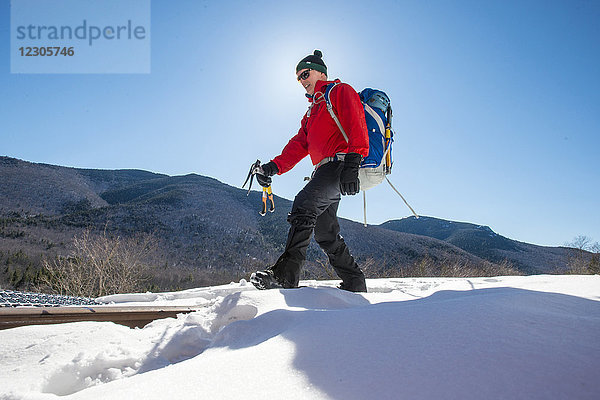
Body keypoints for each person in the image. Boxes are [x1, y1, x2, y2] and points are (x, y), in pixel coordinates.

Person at [250, 50, 369, 292]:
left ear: (321, 72)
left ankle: (285, 275)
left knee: (304, 203)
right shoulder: (312, 112)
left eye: (305, 73)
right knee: (325, 232)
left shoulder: (339, 91)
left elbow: (357, 123)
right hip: (323, 170)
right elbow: (298, 146)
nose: (302, 80)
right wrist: (273, 167)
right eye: (298, 78)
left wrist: (353, 163)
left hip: (341, 163)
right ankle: (355, 282)